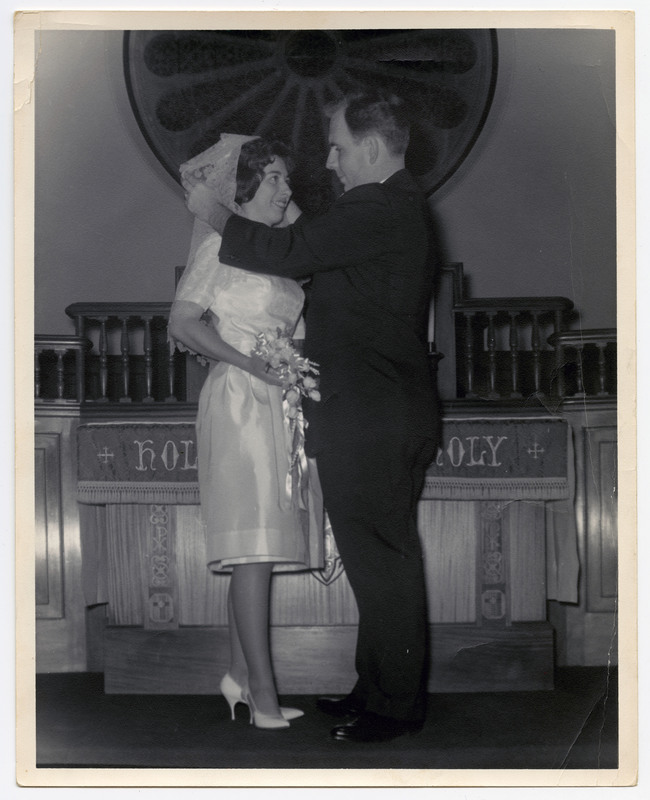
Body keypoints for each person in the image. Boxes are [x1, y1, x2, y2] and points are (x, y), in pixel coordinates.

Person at [186, 88, 439, 743]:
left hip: (372, 414)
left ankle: (395, 706)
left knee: (382, 561)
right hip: (379, 410)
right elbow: (302, 245)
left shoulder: (377, 206)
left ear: (373, 149)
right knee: (377, 558)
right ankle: (377, 687)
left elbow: (288, 252)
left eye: (339, 146)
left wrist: (214, 210)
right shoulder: (394, 208)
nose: (328, 160)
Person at [168, 133, 323, 730]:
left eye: (287, 177)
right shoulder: (217, 248)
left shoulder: (282, 254)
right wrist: (248, 362)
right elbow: (182, 324)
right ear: (248, 186)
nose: (289, 189)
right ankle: (260, 693)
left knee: (256, 549)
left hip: (279, 404)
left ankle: (237, 673)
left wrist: (291, 370)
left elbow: (297, 327)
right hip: (238, 401)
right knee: (254, 552)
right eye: (277, 178)